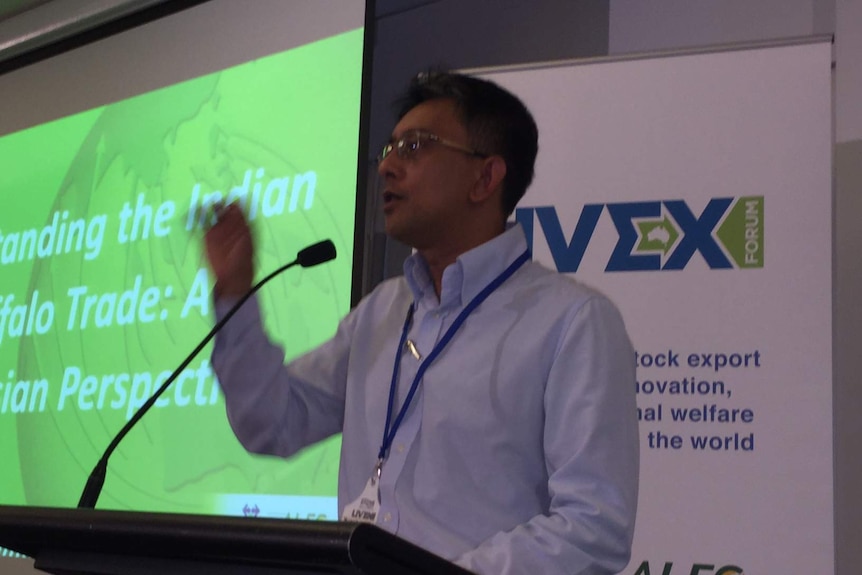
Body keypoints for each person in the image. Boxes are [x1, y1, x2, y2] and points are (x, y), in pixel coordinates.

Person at [205, 71, 639, 575]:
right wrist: (235, 293)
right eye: (388, 149)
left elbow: (592, 528)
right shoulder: (383, 310)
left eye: (414, 147)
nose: (387, 167)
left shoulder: (572, 322)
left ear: (485, 177)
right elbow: (271, 423)